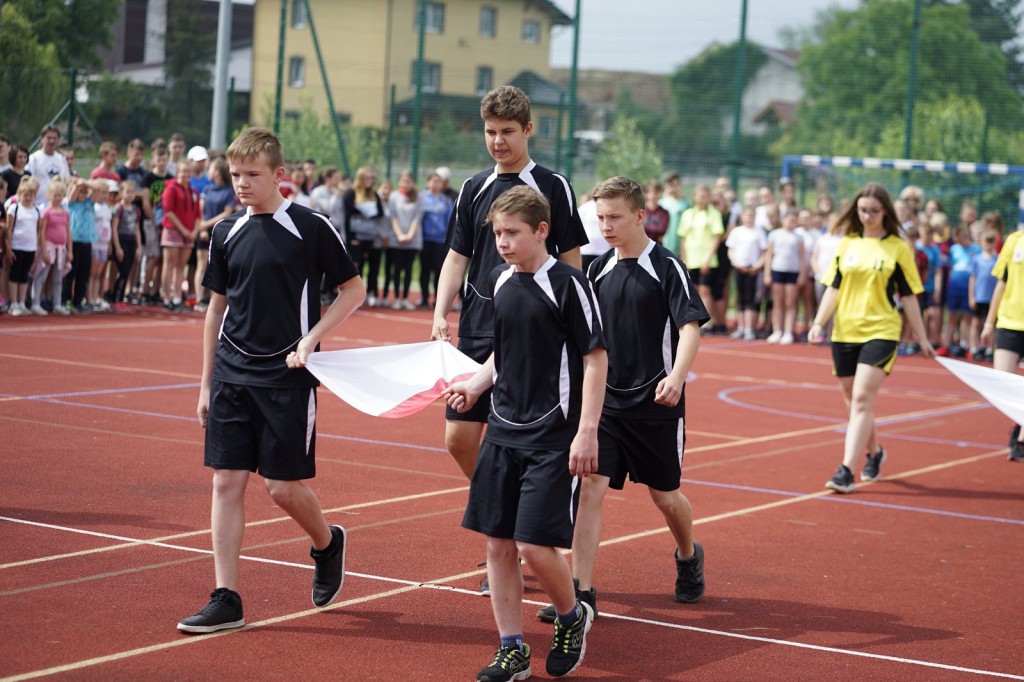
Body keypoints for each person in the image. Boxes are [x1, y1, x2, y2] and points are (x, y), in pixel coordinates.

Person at [177, 127, 365, 634]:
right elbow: (216, 309)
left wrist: (313, 338)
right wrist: (205, 384)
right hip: (233, 376)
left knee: (282, 488)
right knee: (225, 482)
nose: (241, 184)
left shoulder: (312, 227)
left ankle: (327, 543)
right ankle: (227, 597)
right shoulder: (224, 232)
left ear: (280, 176)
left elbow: (353, 289)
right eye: (235, 175)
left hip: (288, 375)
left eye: (252, 175)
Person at [443, 185, 605, 681]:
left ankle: (572, 615)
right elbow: (504, 352)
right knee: (498, 544)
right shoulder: (499, 281)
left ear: (542, 231)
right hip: (502, 429)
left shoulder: (570, 284)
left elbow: (595, 359)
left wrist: (587, 431)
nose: (503, 242)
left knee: (535, 546)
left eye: (512, 233)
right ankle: (511, 649)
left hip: (553, 434)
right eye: (497, 233)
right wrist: (475, 384)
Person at [535, 175, 708, 629]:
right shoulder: (595, 271)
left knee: (665, 497)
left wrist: (677, 376)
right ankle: (581, 593)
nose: (606, 227)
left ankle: (688, 555)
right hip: (606, 406)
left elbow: (691, 326)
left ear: (639, 215)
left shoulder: (667, 267)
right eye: (600, 219)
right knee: (589, 488)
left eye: (614, 217)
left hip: (657, 403)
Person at [431, 85, 588, 484]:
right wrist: (440, 314)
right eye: (490, 132)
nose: (498, 141)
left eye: (507, 131)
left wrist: (569, 319)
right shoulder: (472, 188)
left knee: (521, 438)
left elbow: (571, 261)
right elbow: (456, 257)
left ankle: (517, 522)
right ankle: (501, 505)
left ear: (528, 129)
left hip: (535, 331)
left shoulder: (554, 187)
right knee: (458, 437)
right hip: (478, 326)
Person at [809, 183, 934, 493]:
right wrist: (817, 323)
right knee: (854, 403)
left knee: (863, 399)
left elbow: (908, 297)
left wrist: (922, 337)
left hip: (882, 330)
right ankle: (875, 453)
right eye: (862, 210)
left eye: (874, 211)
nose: (867, 216)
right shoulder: (847, 243)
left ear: (885, 212)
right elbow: (833, 288)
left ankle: (846, 471)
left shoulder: (898, 247)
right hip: (844, 331)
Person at [980, 225, 1024, 461]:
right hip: (1009, 322)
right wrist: (989, 322)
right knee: (1003, 383)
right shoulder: (1015, 240)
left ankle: (1021, 437)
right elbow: (1001, 283)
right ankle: (1019, 421)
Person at [195, 158, 239, 313]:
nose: (208, 171)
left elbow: (227, 213)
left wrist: (206, 225)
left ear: (218, 172)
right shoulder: (207, 189)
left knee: (218, 266)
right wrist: (202, 229)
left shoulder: (228, 191)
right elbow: (200, 211)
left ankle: (215, 299)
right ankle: (200, 298)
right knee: (201, 265)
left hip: (221, 232)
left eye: (211, 168)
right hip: (204, 231)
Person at [677, 185, 724, 331]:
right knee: (693, 290)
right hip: (691, 259)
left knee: (705, 290)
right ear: (695, 197)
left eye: (705, 195)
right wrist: (683, 259)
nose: (702, 198)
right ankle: (694, 319)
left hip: (706, 260)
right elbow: (683, 238)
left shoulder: (714, 213)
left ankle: (706, 322)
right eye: (700, 195)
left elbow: (717, 237)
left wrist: (708, 260)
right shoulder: (688, 214)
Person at [343, 166, 388, 307]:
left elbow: (380, 212)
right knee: (357, 267)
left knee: (373, 267)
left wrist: (363, 212)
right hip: (355, 236)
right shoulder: (351, 192)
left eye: (373, 178)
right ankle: (355, 296)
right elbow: (349, 210)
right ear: (361, 178)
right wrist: (366, 212)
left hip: (371, 236)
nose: (371, 180)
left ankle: (371, 293)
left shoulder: (375, 194)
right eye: (368, 177)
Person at [161, 159, 201, 311]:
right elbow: (168, 211)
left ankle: (177, 298)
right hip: (173, 230)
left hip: (189, 233)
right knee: (169, 265)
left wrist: (194, 231)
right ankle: (166, 297)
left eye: (189, 171)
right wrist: (183, 230)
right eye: (184, 171)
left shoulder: (193, 191)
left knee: (180, 267)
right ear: (178, 172)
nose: (186, 174)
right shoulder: (171, 188)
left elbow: (198, 214)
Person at [762, 211, 806, 344]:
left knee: (790, 303)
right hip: (777, 270)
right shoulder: (775, 234)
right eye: (789, 220)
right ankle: (777, 331)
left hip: (792, 272)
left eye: (794, 220)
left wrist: (802, 274)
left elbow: (802, 258)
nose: (791, 222)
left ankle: (788, 332)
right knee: (778, 302)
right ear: (784, 220)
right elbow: (769, 255)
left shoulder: (798, 237)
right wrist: (767, 273)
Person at [30, 179, 72, 316]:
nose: (58, 198)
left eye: (60, 195)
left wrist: (69, 250)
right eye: (55, 195)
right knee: (41, 276)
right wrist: (43, 250)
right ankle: (35, 303)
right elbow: (41, 232)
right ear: (49, 195)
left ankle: (57, 304)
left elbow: (68, 232)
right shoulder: (46, 212)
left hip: (61, 249)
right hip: (49, 247)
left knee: (58, 278)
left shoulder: (65, 212)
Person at [727, 206, 768, 340]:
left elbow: (764, 252)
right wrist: (737, 264)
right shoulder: (736, 231)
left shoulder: (759, 232)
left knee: (751, 298)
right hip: (739, 268)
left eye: (752, 215)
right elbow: (731, 250)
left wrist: (757, 265)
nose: (750, 218)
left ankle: (749, 328)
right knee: (741, 298)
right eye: (747, 215)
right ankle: (741, 327)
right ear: (741, 217)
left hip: (753, 270)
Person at [3, 177, 42, 315]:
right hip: (17, 246)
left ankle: (21, 302)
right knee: (15, 274)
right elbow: (9, 229)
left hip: (30, 248)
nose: (28, 197)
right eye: (25, 195)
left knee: (24, 276)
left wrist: (36, 248)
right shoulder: (14, 208)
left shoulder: (36, 210)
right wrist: (9, 247)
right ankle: (13, 303)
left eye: (31, 195)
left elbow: (38, 231)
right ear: (20, 194)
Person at [387, 170, 423, 310]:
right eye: (403, 181)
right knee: (397, 269)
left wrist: (409, 235)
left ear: (413, 182)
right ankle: (396, 298)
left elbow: (417, 218)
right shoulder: (394, 196)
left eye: (408, 181)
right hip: (396, 240)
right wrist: (400, 235)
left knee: (408, 270)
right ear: (399, 182)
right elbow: (393, 217)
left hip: (412, 240)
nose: (406, 184)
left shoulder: (419, 197)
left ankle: (406, 298)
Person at [418, 171, 452, 309]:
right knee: (425, 270)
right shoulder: (421, 198)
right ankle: (424, 298)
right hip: (425, 240)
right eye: (432, 181)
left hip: (440, 241)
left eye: (438, 181)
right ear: (427, 183)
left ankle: (438, 299)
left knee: (439, 271)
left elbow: (450, 221)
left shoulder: (445, 200)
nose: (435, 184)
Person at [110, 181, 142, 312]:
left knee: (127, 271)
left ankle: (120, 298)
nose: (130, 195)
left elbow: (137, 228)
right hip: (122, 241)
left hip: (132, 241)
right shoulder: (118, 208)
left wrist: (139, 246)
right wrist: (117, 247)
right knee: (123, 271)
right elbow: (114, 229)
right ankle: (115, 299)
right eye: (127, 192)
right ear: (121, 193)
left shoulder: (136, 209)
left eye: (132, 192)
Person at [65, 177, 96, 312]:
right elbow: (72, 195)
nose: (82, 194)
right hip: (74, 241)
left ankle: (78, 300)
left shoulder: (89, 203)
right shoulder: (71, 203)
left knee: (83, 274)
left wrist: (86, 184)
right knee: (71, 272)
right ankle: (65, 299)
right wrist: (77, 185)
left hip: (87, 242)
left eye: (85, 192)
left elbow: (97, 190)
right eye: (80, 192)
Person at [967, 229, 999, 360]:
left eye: (991, 242)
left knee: (990, 324)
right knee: (975, 323)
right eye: (986, 242)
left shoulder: (997, 259)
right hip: (979, 296)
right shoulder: (977, 259)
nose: (988, 245)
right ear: (981, 243)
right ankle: (974, 347)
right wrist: (971, 296)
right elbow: (972, 279)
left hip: (991, 298)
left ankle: (989, 349)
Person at [25, 124, 70, 202]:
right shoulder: (34, 158)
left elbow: (66, 181)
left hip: (58, 206)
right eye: (48, 138)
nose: (52, 141)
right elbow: (27, 183)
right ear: (42, 139)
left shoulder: (62, 159)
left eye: (54, 138)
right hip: (38, 204)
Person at [89, 179, 114, 311]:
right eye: (102, 192)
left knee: (99, 273)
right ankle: (90, 299)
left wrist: (109, 243)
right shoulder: (94, 207)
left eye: (106, 193)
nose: (105, 196)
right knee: (93, 272)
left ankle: (97, 297)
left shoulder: (107, 207)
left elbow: (108, 226)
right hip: (95, 243)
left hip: (104, 243)